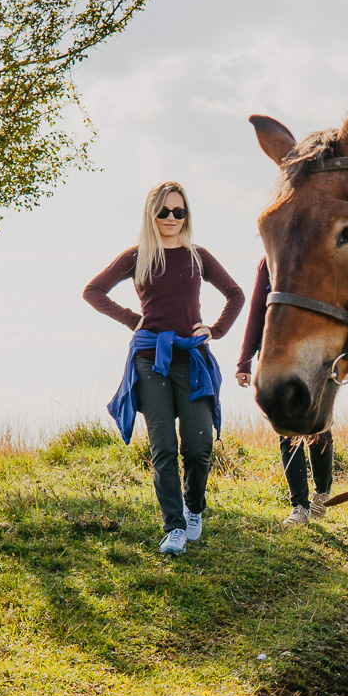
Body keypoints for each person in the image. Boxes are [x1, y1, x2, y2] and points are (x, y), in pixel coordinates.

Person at [85, 181, 245, 556]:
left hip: (192, 359)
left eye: (179, 212)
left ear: (186, 216)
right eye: (164, 212)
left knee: (199, 444)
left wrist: (216, 330)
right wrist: (131, 319)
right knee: (163, 447)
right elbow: (93, 290)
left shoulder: (197, 255)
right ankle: (173, 527)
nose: (171, 218)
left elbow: (236, 294)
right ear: (151, 214)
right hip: (150, 360)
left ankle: (194, 508)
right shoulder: (137, 256)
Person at [236, 258, 334, 525]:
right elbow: (257, 309)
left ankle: (322, 494)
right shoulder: (269, 262)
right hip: (278, 355)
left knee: (318, 427)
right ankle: (300, 507)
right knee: (286, 430)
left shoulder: (321, 251)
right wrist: (245, 359)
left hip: (317, 353)